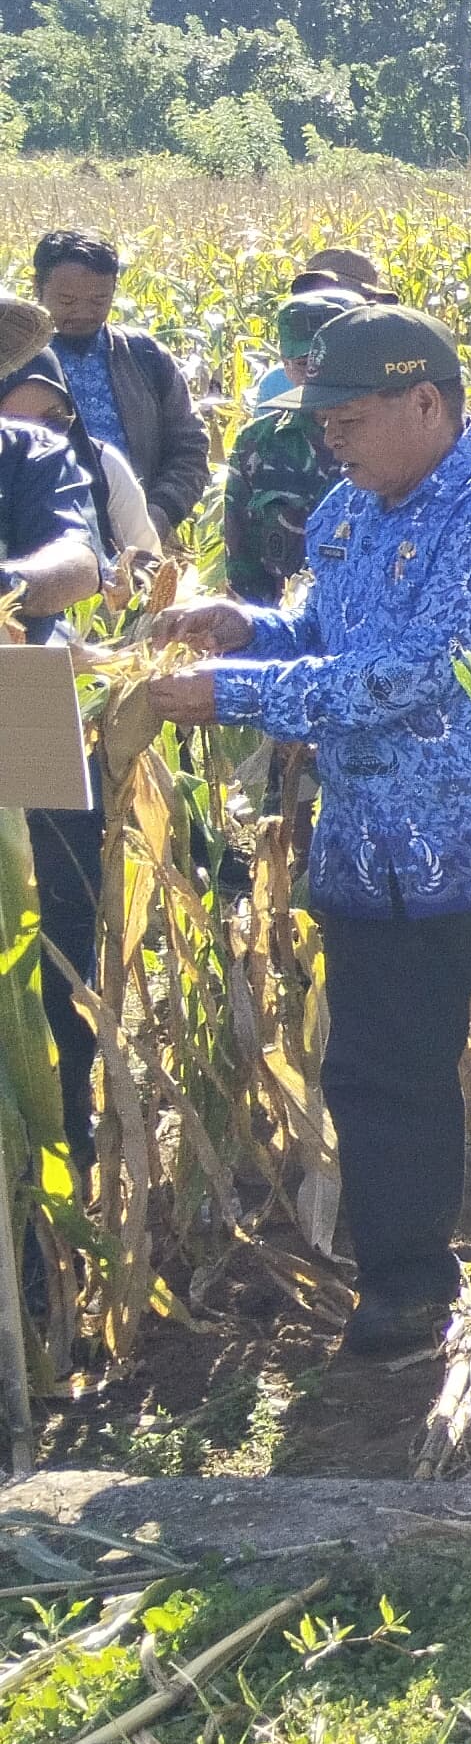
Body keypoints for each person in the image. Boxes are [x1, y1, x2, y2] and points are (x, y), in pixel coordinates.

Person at [138, 306, 471, 1356]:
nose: (329, 439)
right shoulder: (346, 511)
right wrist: (253, 628)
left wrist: (236, 690)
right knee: (382, 1081)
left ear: (426, 402)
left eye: (348, 419)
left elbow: (413, 672)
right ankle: (405, 1288)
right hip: (373, 857)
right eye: (322, 420)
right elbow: (334, 635)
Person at [5, 382, 103, 1169]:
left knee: (52, 944)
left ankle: (55, 1157)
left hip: (20, 695)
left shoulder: (28, 451)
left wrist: (8, 586)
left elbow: (77, 563)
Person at [29, 231, 208, 532]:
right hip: (36, 535)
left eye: (99, 300)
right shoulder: (13, 360)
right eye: (67, 301)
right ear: (37, 287)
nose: (83, 313)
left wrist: (156, 516)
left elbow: (189, 446)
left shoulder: (146, 356)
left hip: (133, 534)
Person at [219, 288, 367, 602]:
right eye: (305, 364)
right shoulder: (258, 445)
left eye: (334, 362)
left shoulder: (395, 438)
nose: (320, 376)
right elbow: (243, 565)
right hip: (284, 621)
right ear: (285, 367)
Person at [0, 301, 151, 556]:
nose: (40, 441)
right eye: (16, 430)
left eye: (54, 421)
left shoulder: (105, 467)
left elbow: (148, 559)